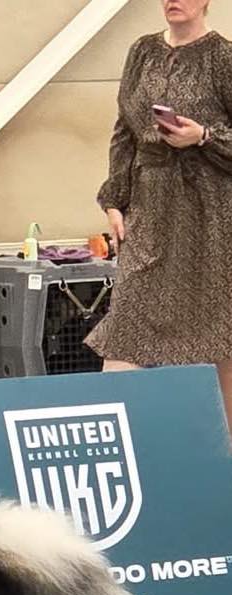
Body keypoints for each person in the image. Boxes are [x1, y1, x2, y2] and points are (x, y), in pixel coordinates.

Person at [88, 0, 232, 431]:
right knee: (128, 320)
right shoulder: (141, 51)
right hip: (151, 209)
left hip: (212, 215)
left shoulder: (222, 57)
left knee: (220, 333)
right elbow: (124, 131)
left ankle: (225, 455)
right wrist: (116, 198)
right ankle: (116, 440)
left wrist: (203, 137)